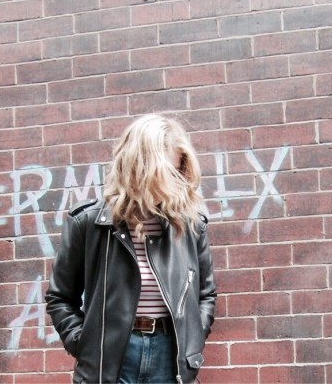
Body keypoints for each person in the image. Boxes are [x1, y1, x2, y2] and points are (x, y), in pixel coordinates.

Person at [45, 114, 217, 383]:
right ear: (138, 167)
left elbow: (205, 294)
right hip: (112, 358)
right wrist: (85, 344)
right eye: (166, 173)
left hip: (169, 356)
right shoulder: (89, 223)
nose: (174, 182)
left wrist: (192, 338)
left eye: (177, 172)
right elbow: (60, 297)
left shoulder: (190, 224)